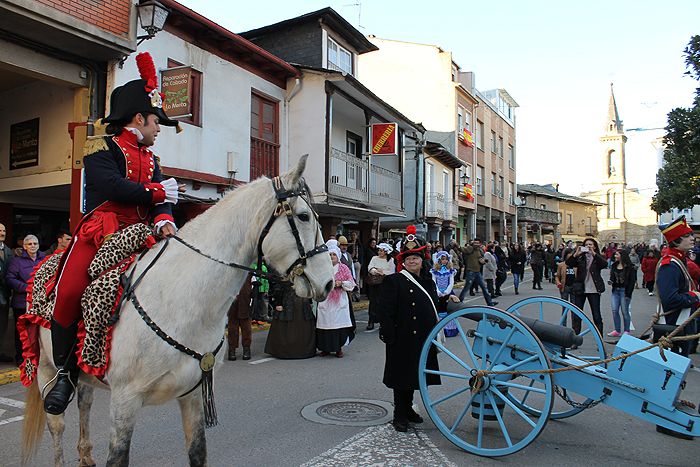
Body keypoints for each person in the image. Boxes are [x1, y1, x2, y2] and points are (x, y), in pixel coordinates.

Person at [36, 52, 182, 416]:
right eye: (155, 121)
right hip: (100, 231)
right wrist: (158, 194)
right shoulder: (101, 147)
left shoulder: (152, 160)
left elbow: (163, 197)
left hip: (142, 232)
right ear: (138, 119)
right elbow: (112, 186)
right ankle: (65, 376)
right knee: (68, 291)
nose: (159, 128)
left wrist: (164, 217)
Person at [377, 226, 460, 432]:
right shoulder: (394, 280)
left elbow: (432, 305)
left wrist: (448, 299)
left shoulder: (428, 283)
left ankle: (409, 409)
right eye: (408, 259)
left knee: (415, 375)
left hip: (423, 336)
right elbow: (385, 310)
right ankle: (399, 414)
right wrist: (388, 333)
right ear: (402, 262)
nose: (412, 261)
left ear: (422, 260)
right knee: (401, 376)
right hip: (402, 335)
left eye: (415, 258)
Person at [655, 216, 699, 357]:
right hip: (673, 325)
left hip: (680, 324)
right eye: (687, 236)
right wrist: (694, 296)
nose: (692, 238)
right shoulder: (670, 265)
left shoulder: (678, 260)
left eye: (691, 234)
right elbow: (670, 299)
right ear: (676, 240)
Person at [6, 235, 46, 366]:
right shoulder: (17, 261)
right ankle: (21, 358)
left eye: (35, 243)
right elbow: (10, 278)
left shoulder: (44, 259)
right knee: (21, 332)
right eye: (29, 244)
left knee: (39, 332)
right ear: (24, 246)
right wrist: (27, 288)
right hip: (21, 302)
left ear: (39, 245)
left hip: (40, 303)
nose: (33, 246)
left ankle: (38, 357)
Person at [316, 243, 355, 357]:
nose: (332, 256)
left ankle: (338, 348)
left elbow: (351, 283)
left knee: (339, 325)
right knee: (324, 325)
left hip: (339, 301)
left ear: (338, 256)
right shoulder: (323, 268)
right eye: (330, 254)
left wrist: (341, 283)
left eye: (334, 254)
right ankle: (325, 348)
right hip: (326, 299)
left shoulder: (343, 268)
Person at [264, 275, 316, 359]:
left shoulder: (305, 272)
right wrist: (278, 303)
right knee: (287, 327)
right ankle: (287, 351)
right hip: (287, 301)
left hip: (302, 302)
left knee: (302, 327)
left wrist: (309, 300)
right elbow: (277, 286)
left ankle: (302, 350)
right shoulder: (284, 271)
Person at [566, 238, 607, 335]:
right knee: (577, 315)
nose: (588, 246)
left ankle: (599, 338)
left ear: (595, 246)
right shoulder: (580, 257)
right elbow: (569, 263)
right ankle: (575, 338)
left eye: (591, 245)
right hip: (581, 288)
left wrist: (594, 254)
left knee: (596, 315)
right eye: (587, 245)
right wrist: (576, 254)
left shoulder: (597, 257)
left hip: (594, 289)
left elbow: (604, 264)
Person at [458, 238, 497, 306]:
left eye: (477, 243)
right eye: (475, 243)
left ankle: (489, 302)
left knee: (484, 287)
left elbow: (481, 259)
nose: (476, 244)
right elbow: (462, 249)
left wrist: (483, 261)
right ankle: (459, 301)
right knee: (466, 288)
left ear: (479, 244)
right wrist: (457, 245)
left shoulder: (479, 250)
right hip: (470, 271)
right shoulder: (470, 248)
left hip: (477, 271)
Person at [365, 242, 395, 330]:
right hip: (375, 283)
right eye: (379, 250)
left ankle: (383, 321)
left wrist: (383, 272)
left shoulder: (390, 260)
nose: (379, 252)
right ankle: (371, 320)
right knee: (373, 302)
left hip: (385, 283)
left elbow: (391, 272)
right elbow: (370, 267)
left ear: (386, 252)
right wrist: (377, 271)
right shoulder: (374, 258)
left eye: (381, 251)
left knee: (383, 302)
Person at [607, 250, 637, 337]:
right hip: (615, 290)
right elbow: (612, 277)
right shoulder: (614, 265)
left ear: (622, 256)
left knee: (624, 311)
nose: (615, 256)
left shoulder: (630, 267)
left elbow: (632, 281)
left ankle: (627, 330)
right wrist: (611, 281)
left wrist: (628, 294)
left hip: (624, 291)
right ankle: (617, 330)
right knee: (614, 310)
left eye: (617, 254)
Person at [227, 274, 254, 361]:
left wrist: (252, 303)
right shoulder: (230, 274)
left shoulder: (250, 274)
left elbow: (254, 288)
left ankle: (246, 349)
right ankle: (232, 350)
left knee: (246, 328)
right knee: (232, 328)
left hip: (245, 302)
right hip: (233, 304)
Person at [0, 223, 14, 362]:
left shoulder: (9, 251)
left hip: (4, 294)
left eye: (4, 230)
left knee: (2, 325)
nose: (2, 233)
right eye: (0, 230)